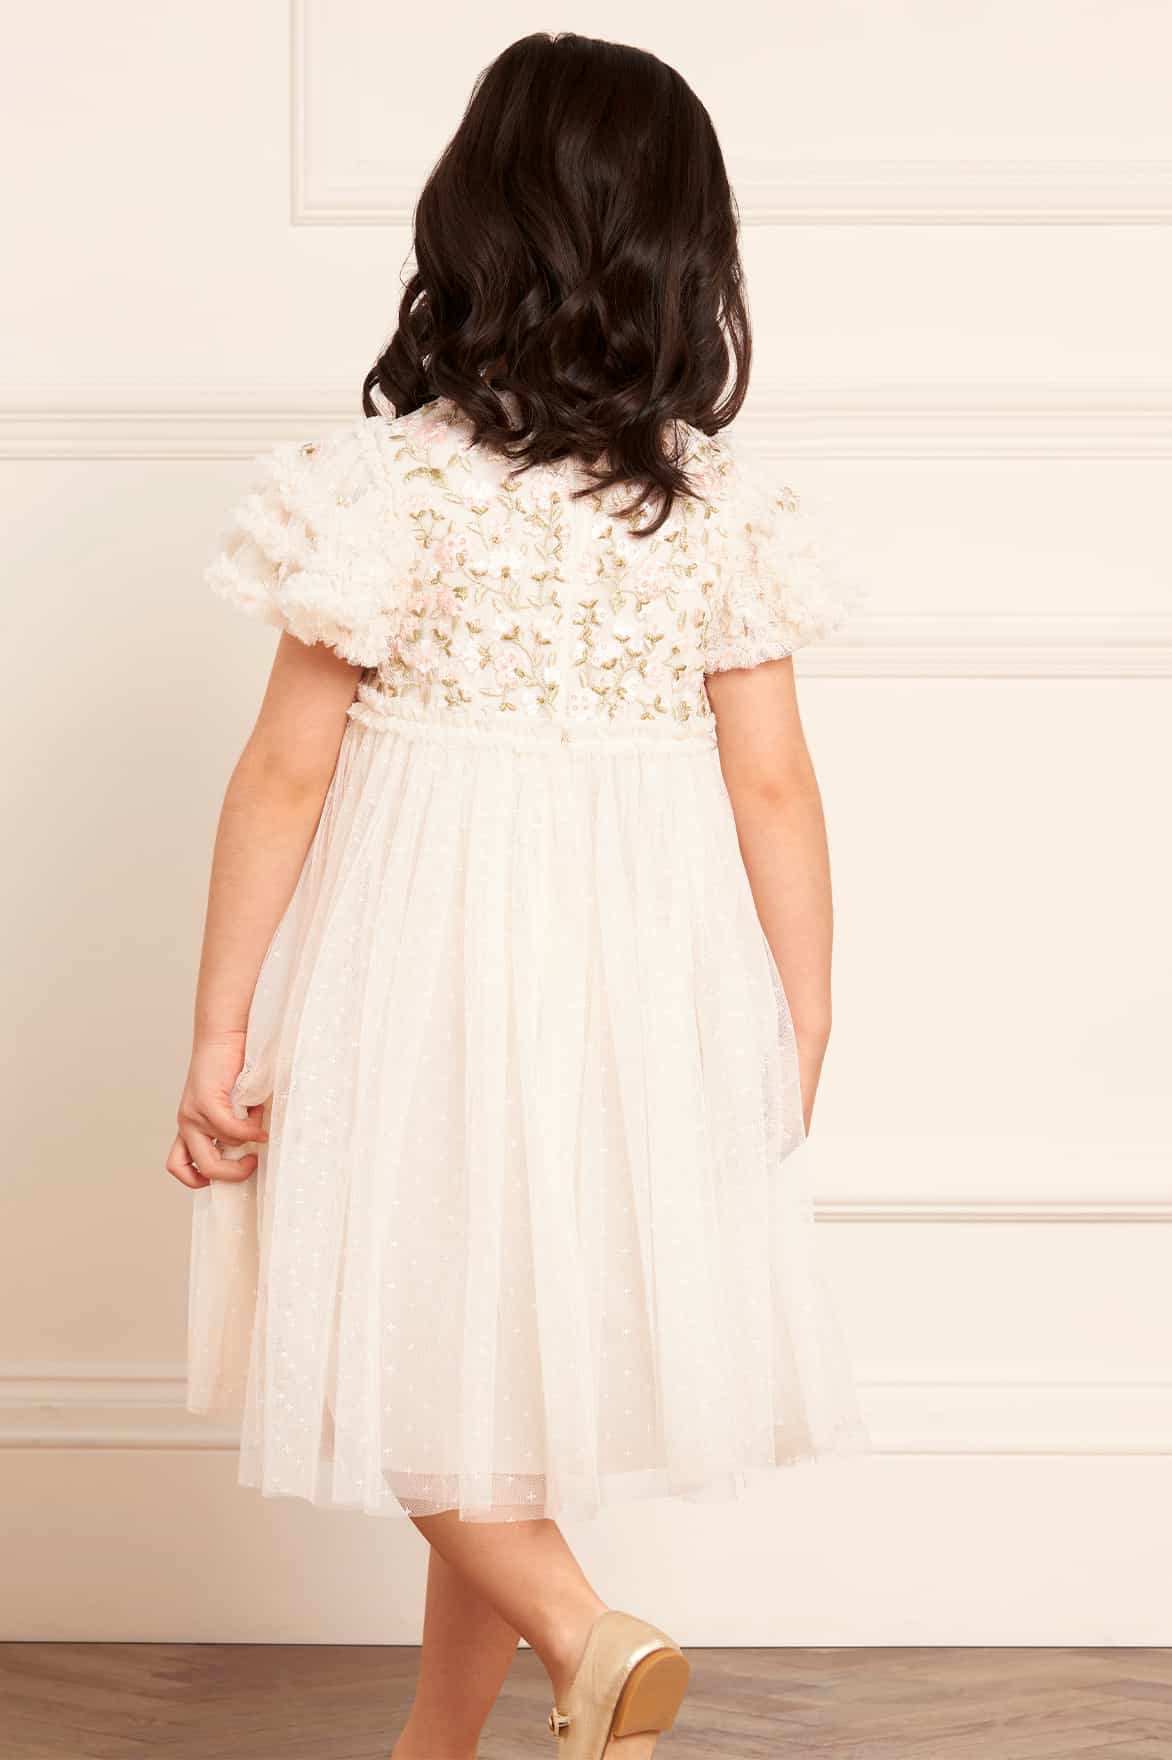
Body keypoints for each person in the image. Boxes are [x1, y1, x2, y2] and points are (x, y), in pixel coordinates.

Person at [169, 31, 866, 1760]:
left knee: (378, 1320)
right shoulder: (714, 510)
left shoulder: (386, 486)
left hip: (423, 957)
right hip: (648, 967)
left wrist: (218, 1023)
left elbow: (285, 772)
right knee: (493, 1360)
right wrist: (800, 1013)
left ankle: (584, 1630)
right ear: (686, 252)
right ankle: (448, 1741)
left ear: (468, 225)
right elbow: (774, 781)